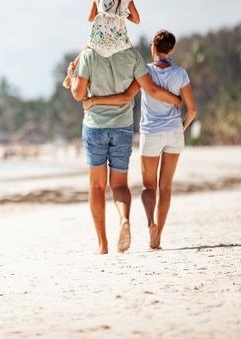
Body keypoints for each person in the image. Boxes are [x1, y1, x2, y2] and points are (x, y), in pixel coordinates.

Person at [84, 30, 197, 250]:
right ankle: (157, 235)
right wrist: (181, 127)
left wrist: (94, 100)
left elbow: (127, 96)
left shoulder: (144, 71)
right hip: (174, 132)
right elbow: (192, 109)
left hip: (151, 133)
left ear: (153, 47)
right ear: (171, 49)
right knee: (166, 187)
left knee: (148, 187)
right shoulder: (180, 73)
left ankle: (150, 222)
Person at [63, 0, 140, 89]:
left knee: (86, 48)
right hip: (120, 43)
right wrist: (124, 14)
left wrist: (100, 12)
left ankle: (71, 74)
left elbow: (90, 18)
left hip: (99, 42)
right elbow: (137, 20)